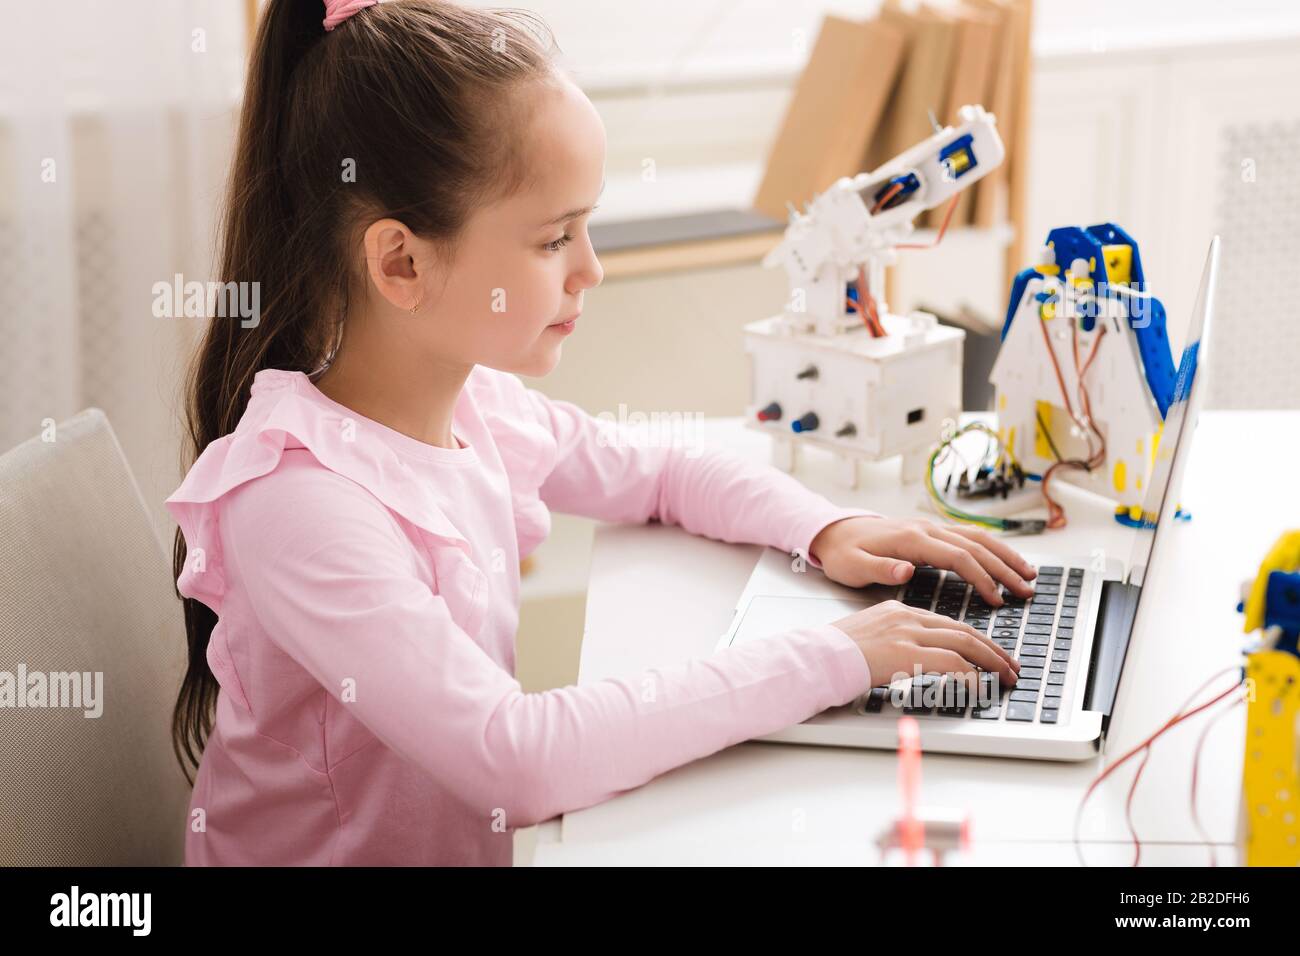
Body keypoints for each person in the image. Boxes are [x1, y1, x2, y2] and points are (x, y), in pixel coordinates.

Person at [167, 0, 1031, 866]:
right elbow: (516, 756)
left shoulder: (475, 408)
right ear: (402, 262)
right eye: (554, 239)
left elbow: (659, 473)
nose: (592, 269)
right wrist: (837, 656)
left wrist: (826, 528)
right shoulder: (300, 505)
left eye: (587, 226)